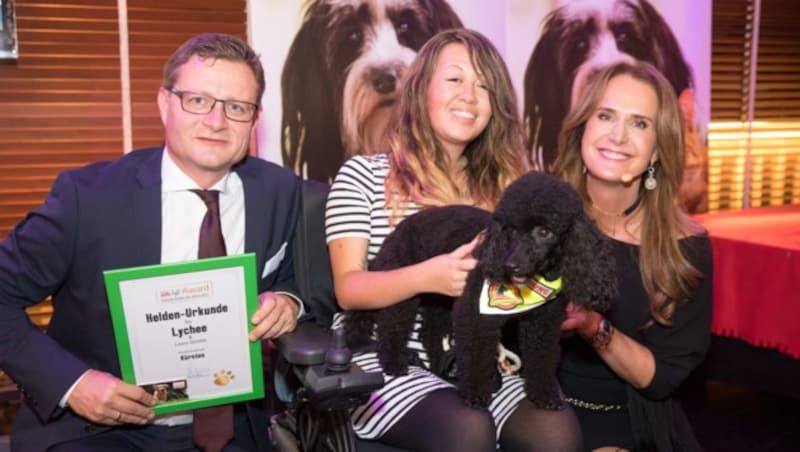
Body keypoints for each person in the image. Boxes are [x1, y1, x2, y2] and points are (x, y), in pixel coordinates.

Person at [0, 33, 305, 451]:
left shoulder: (281, 191)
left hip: (233, 430)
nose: (217, 121)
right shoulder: (87, 198)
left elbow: (297, 274)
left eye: (237, 107)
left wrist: (288, 300)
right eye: (198, 100)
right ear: (165, 104)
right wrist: (75, 385)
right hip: (100, 430)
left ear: (254, 119)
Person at [325, 28, 581, 452]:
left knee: (556, 430)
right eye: (455, 79)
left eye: (484, 85)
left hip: (478, 352)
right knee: (468, 427)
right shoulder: (364, 176)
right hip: (383, 354)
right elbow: (348, 289)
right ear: (420, 87)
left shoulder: (509, 193)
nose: (470, 95)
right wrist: (430, 277)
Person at [554, 61, 713, 451]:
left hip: (630, 420)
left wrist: (595, 327)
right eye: (606, 115)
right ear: (583, 128)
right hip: (533, 415)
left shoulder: (683, 245)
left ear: (659, 148)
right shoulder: (543, 216)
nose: (618, 136)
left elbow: (662, 378)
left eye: (640, 123)